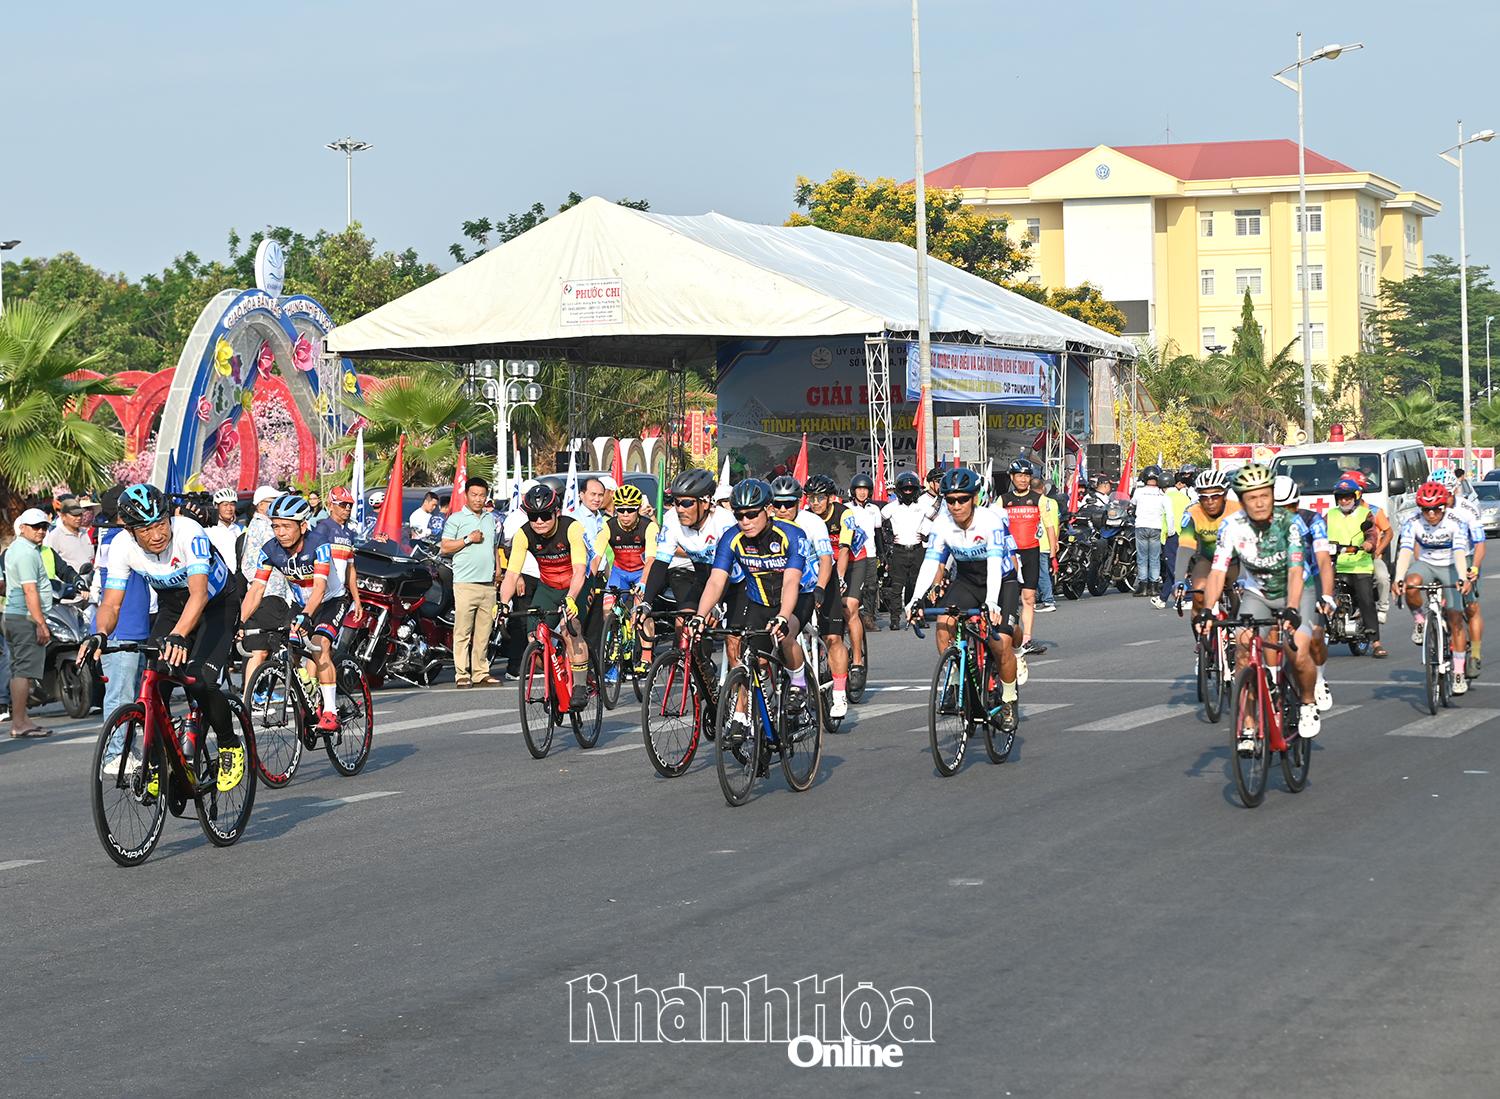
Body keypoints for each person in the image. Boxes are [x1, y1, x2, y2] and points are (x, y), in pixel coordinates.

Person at [83, 484, 245, 789]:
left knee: (200, 681)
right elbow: (111, 604)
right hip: (173, 607)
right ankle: (163, 761)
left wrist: (179, 635)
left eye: (160, 523)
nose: (157, 534)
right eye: (145, 529)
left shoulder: (189, 532)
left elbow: (199, 594)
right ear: (129, 530)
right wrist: (100, 634)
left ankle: (229, 744)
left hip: (216, 605)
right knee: (154, 682)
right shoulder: (121, 546)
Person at [1200, 463, 1319, 746]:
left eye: (1265, 495)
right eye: (1252, 498)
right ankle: (1249, 724)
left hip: (1296, 591)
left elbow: (1295, 570)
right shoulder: (1232, 526)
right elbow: (1217, 571)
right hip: (1258, 594)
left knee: (1298, 651)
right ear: (1242, 501)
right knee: (1243, 647)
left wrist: (1292, 608)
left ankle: (1307, 701)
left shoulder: (1290, 523)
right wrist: (1207, 610)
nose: (1260, 502)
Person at [903, 466, 1023, 735]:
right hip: (968, 579)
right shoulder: (942, 524)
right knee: (944, 623)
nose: (956, 506)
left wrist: (991, 603)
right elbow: (930, 563)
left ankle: (1008, 699)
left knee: (1000, 643)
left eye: (962, 499)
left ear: (974, 498)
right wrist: (915, 599)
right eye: (950, 500)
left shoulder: (990, 520)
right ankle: (957, 681)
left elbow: (994, 565)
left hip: (1000, 581)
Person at [691, 479, 810, 726]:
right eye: (739, 515)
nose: (745, 521)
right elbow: (716, 581)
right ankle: (750, 716)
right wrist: (700, 616)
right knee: (754, 660)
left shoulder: (790, 534)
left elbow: (791, 581)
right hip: (759, 602)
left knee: (785, 635)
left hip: (796, 597)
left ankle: (798, 683)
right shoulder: (732, 538)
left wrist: (783, 616)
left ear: (768, 509)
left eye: (752, 514)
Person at [240, 494, 348, 731]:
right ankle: (308, 690)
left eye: (286, 526)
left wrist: (307, 615)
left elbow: (319, 588)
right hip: (300, 604)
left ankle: (330, 712)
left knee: (319, 645)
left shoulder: (319, 544)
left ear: (303, 526)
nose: (280, 532)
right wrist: (239, 623)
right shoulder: (269, 550)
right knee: (289, 650)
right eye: (276, 526)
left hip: (330, 602)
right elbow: (256, 589)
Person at [498, 484, 590, 697]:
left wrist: (571, 598)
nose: (539, 521)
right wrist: (503, 604)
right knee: (534, 638)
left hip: (576, 585)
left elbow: (579, 570)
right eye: (533, 516)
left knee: (569, 628)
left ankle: (580, 687)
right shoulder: (523, 534)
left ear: (556, 512)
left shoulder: (572, 528)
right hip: (548, 587)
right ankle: (557, 674)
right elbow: (511, 574)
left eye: (545, 515)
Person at [1395, 480, 1473, 693]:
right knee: (1411, 584)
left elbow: (1459, 551)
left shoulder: (1456, 521)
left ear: (1444, 507)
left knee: (1455, 618)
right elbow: (1406, 550)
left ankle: (1458, 672)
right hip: (1427, 563)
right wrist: (1399, 578)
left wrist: (1462, 578)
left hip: (1450, 564)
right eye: (1425, 509)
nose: (1431, 514)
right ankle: (1420, 620)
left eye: (1436, 509)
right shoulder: (1412, 521)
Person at [90, 489, 153, 724]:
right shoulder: (119, 540)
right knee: (120, 699)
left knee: (134, 701)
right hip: (120, 630)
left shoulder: (117, 537)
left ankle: (128, 745)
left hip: (135, 628)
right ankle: (114, 747)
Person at [800, 476, 858, 716]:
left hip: (843, 562)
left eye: (820, 498)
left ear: (830, 498)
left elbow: (842, 551)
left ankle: (841, 692)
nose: (815, 502)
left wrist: (840, 579)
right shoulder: (800, 517)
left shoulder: (843, 515)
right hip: (805, 579)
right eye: (811, 498)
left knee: (835, 633)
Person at [1278, 476, 1336, 712]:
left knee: (1315, 637)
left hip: (1311, 578)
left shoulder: (1313, 520)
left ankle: (1319, 679)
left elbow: (1323, 560)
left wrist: (1327, 594)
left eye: (1289, 507)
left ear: (1297, 503)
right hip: (1279, 582)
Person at [591, 483, 658, 677]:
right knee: (607, 610)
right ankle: (614, 645)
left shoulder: (649, 527)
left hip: (641, 572)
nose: (625, 514)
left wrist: (643, 583)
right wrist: (590, 580)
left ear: (638, 509)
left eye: (630, 510)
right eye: (621, 510)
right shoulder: (608, 526)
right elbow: (596, 557)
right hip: (619, 573)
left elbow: (651, 559)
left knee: (641, 613)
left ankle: (646, 657)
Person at [440, 476, 501, 688]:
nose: (478, 499)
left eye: (482, 495)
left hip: (488, 584)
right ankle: (461, 673)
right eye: (474, 495)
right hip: (465, 583)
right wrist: (468, 539)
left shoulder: (490, 519)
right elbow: (445, 547)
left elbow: (494, 546)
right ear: (466, 495)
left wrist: (498, 569)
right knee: (463, 631)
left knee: (484, 632)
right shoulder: (456, 519)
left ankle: (481, 672)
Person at [4, 509, 55, 738]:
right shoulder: (26, 553)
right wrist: (40, 623)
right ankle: (19, 723)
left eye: (44, 526)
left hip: (16, 616)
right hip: (25, 618)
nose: (41, 531)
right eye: (36, 526)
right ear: (22, 528)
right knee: (23, 671)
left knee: (19, 670)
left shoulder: (18, 549)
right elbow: (30, 590)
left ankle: (22, 719)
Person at [1325, 476, 1385, 658]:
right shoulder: (1330, 515)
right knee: (1321, 596)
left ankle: (1376, 643)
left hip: (1359, 565)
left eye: (1348, 497)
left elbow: (1371, 533)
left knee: (1366, 600)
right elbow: (1317, 532)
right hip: (1335, 564)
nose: (1344, 501)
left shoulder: (1365, 514)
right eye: (1341, 497)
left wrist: (1369, 543)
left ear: (1355, 497)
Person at [1433, 468, 1485, 675]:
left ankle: (1475, 655)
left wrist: (1475, 568)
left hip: (1466, 556)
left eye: (1445, 494)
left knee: (1471, 608)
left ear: (1454, 490)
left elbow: (1479, 543)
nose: (1440, 499)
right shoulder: (1428, 508)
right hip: (1441, 558)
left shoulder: (1467, 509)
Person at [1174, 468, 1240, 621]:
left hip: (1235, 560)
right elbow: (1185, 547)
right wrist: (1178, 580)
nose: (1209, 502)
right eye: (1204, 497)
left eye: (1215, 496)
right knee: (1199, 595)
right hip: (1206, 560)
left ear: (1225, 495)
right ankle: (1201, 632)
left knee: (1239, 598)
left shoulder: (1238, 510)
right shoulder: (1193, 513)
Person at [999, 459, 1047, 654]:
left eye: (1026, 476)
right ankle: (1008, 636)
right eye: (1019, 475)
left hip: (1031, 552)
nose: (1023, 479)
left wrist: (1053, 553)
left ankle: (1026, 639)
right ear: (1012, 477)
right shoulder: (1003, 500)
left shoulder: (1038, 499)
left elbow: (1049, 525)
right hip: (1010, 554)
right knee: (1008, 598)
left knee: (1029, 597)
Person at [881, 471, 927, 630]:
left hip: (917, 549)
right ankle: (895, 619)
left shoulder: (922, 507)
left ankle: (919, 617)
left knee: (918, 586)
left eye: (911, 489)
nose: (908, 492)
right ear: (899, 490)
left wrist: (926, 534)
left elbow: (935, 521)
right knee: (896, 587)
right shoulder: (890, 508)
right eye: (905, 489)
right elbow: (878, 524)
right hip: (899, 551)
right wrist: (888, 538)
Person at [847, 474, 884, 630]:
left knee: (871, 587)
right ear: (853, 491)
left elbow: (878, 533)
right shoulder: (847, 509)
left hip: (870, 554)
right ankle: (849, 617)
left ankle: (868, 617)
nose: (862, 493)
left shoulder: (874, 509)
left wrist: (882, 554)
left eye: (865, 489)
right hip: (852, 555)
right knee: (851, 588)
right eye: (859, 489)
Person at [1130, 466, 1168, 603]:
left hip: (1141, 526)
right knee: (1154, 558)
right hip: (1156, 527)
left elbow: (1132, 503)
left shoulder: (1139, 492)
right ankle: (1154, 586)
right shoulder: (1161, 493)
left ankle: (1143, 586)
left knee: (1142, 557)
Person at [1160, 470, 1193, 595]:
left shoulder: (1166, 497)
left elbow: (1169, 516)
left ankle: (1189, 595)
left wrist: (1170, 532)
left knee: (1174, 567)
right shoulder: (1184, 497)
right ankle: (1162, 598)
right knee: (1173, 567)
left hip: (1172, 535)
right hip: (1185, 534)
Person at [44, 495, 95, 577]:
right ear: (63, 516)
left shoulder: (85, 532)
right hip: (70, 582)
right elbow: (51, 562)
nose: (79, 518)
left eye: (80, 514)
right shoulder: (55, 536)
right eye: (74, 515)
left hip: (90, 580)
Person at [1035, 482, 1060, 613]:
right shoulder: (1053, 502)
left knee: (1041, 573)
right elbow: (1057, 523)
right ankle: (1042, 597)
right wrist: (1055, 541)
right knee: (1044, 572)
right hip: (1049, 542)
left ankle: (1048, 600)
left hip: (1037, 541)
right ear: (1043, 488)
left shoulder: (1034, 502)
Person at [205, 488, 243, 572]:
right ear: (217, 507)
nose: (229, 508)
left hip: (236, 575)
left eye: (232, 504)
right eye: (225, 505)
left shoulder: (237, 529)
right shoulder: (208, 529)